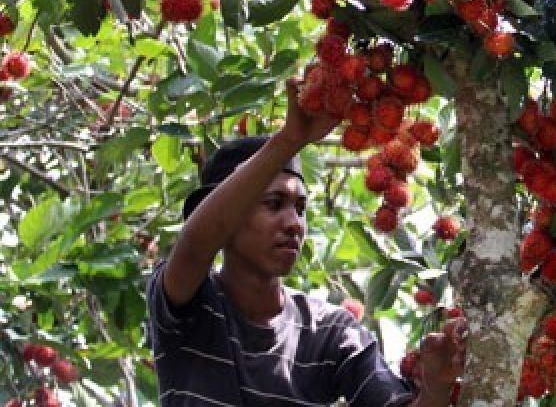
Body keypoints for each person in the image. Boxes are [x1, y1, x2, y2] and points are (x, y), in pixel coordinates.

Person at [146, 79, 465, 406]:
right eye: (273, 204)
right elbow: (196, 243)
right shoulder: (188, 304)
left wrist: (437, 386)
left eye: (300, 209)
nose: (294, 224)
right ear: (230, 216)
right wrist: (289, 140)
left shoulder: (330, 331)